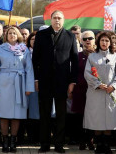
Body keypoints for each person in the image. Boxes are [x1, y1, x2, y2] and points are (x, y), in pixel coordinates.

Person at [32, 10, 78, 153]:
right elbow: (35, 59)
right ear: (50, 20)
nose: (57, 20)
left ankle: (59, 144)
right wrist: (36, 78)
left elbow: (75, 61)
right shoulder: (41, 35)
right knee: (44, 113)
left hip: (62, 81)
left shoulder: (70, 36)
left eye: (59, 18)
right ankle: (44, 144)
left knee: (61, 114)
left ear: (63, 20)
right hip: (45, 80)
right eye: (55, 18)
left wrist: (72, 82)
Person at [0, 26, 34, 152]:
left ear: (18, 34)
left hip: (20, 85)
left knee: (16, 115)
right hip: (3, 85)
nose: (12, 35)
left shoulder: (24, 49)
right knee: (4, 115)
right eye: (9, 33)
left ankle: (13, 141)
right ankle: (5, 141)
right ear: (6, 35)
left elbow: (29, 69)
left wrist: (29, 87)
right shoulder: (0, 48)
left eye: (14, 33)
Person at [83, 31, 116, 154]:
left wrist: (114, 85)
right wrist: (98, 84)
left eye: (107, 41)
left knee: (110, 118)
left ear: (110, 43)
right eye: (102, 40)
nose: (104, 43)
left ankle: (106, 145)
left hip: (111, 92)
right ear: (98, 42)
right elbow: (87, 73)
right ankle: (99, 144)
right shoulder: (92, 57)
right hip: (96, 92)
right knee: (97, 119)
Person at [71, 31, 96, 151]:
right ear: (81, 41)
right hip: (80, 90)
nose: (87, 40)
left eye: (90, 38)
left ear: (94, 40)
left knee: (93, 116)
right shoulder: (77, 55)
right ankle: (81, 140)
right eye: (85, 38)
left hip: (95, 90)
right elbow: (73, 73)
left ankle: (90, 140)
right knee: (80, 116)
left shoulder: (99, 55)